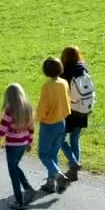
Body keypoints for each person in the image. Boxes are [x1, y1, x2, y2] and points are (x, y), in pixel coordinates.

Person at [0, 84, 37, 210]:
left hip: (12, 146)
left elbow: (2, 130)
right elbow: (32, 127)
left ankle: (19, 201)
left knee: (13, 172)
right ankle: (29, 189)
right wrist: (29, 142)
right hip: (23, 144)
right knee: (15, 167)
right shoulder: (27, 107)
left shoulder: (9, 110)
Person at [36, 57, 71, 194]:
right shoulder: (64, 83)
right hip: (61, 122)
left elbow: (43, 107)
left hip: (48, 124)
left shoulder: (47, 87)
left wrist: (36, 118)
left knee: (43, 154)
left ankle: (57, 174)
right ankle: (50, 183)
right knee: (53, 154)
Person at [60, 45, 95, 182]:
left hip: (70, 110)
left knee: (61, 140)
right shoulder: (83, 69)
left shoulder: (65, 72)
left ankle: (73, 163)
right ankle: (74, 171)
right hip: (83, 109)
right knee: (75, 139)